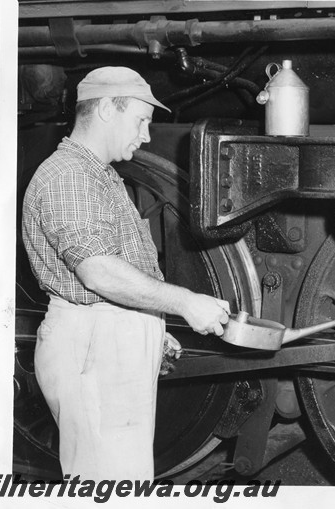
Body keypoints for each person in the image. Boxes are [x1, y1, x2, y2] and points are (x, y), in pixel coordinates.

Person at [21, 66, 231, 481]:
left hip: (107, 342)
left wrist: (150, 325)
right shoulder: (70, 176)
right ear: (104, 110)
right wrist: (185, 302)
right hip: (95, 347)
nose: (147, 135)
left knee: (124, 481)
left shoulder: (97, 174)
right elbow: (98, 272)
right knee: (111, 488)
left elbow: (119, 269)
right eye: (141, 120)